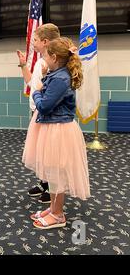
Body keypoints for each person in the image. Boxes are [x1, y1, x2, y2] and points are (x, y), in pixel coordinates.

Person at [22, 37, 90, 229]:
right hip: (52, 128)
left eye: (44, 55)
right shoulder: (56, 74)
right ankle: (53, 208)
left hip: (58, 131)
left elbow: (44, 105)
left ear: (53, 57)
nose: (42, 59)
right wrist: (43, 79)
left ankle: (58, 214)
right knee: (52, 173)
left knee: (56, 174)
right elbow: (49, 94)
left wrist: (36, 90)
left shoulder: (61, 78)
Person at [16, 23, 60, 204]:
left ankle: (52, 186)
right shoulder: (40, 62)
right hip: (36, 111)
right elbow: (30, 84)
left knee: (49, 152)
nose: (32, 43)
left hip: (46, 113)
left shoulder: (51, 64)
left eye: (34, 40)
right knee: (41, 151)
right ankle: (44, 182)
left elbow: (47, 92)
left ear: (45, 41)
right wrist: (23, 64)